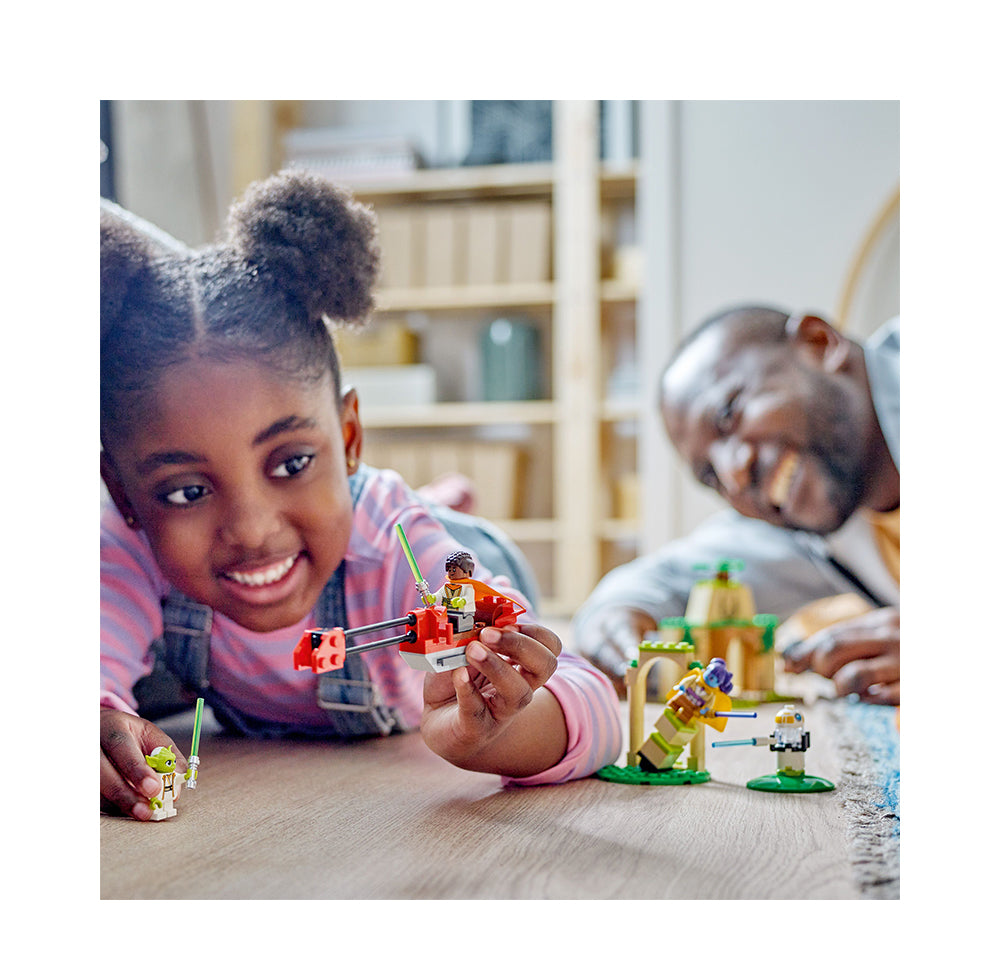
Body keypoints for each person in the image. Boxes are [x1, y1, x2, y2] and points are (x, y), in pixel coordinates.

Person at [101, 169, 621, 821]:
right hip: (368, 541)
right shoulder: (125, 545)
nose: (252, 528)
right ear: (121, 491)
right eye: (187, 491)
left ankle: (446, 507)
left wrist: (495, 734)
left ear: (349, 437)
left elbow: (598, 708)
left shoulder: (395, 544)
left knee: (437, 546)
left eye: (291, 462)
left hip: (430, 552)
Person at [573, 305, 899, 705]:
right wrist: (611, 622)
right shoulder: (817, 515)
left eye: (729, 414)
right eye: (710, 476)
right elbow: (662, 581)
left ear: (819, 344)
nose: (734, 477)